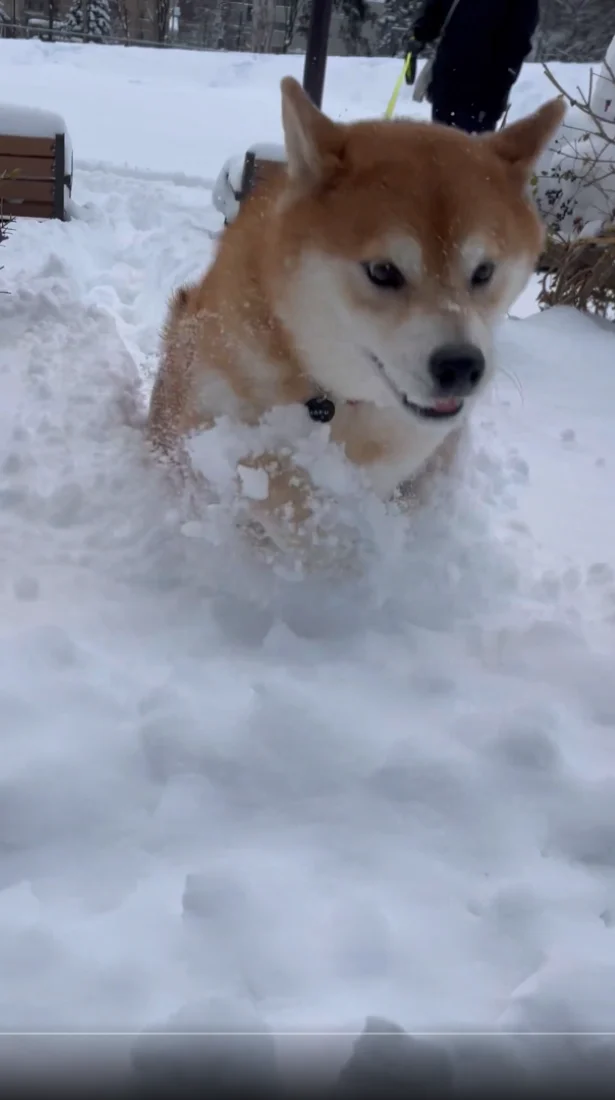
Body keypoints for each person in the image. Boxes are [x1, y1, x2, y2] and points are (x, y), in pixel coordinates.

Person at [406, 0, 540, 134]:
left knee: (471, 147)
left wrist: (502, 82)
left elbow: (519, 38)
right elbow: (436, 11)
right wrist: (418, 34)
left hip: (484, 87)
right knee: (440, 144)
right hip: (447, 78)